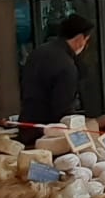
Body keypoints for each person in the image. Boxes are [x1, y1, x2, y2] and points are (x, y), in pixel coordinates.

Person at [17, 14, 93, 145]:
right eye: (87, 40)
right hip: (48, 137)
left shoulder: (37, 52)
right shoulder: (67, 65)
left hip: (26, 127)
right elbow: (63, 112)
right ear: (80, 39)